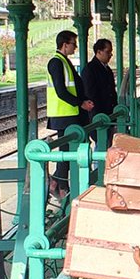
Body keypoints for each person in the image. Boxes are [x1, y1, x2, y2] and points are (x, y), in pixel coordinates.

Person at [46, 29, 93, 199]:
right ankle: (58, 184)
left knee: (67, 151)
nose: (75, 47)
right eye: (73, 43)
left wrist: (83, 101)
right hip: (64, 115)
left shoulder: (64, 61)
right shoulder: (56, 62)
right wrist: (81, 103)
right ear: (65, 44)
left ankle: (59, 184)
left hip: (71, 114)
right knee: (66, 152)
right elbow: (61, 91)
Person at [82, 38, 117, 119]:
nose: (110, 55)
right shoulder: (89, 69)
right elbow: (90, 94)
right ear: (99, 52)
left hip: (108, 113)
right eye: (108, 52)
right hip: (98, 115)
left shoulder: (107, 69)